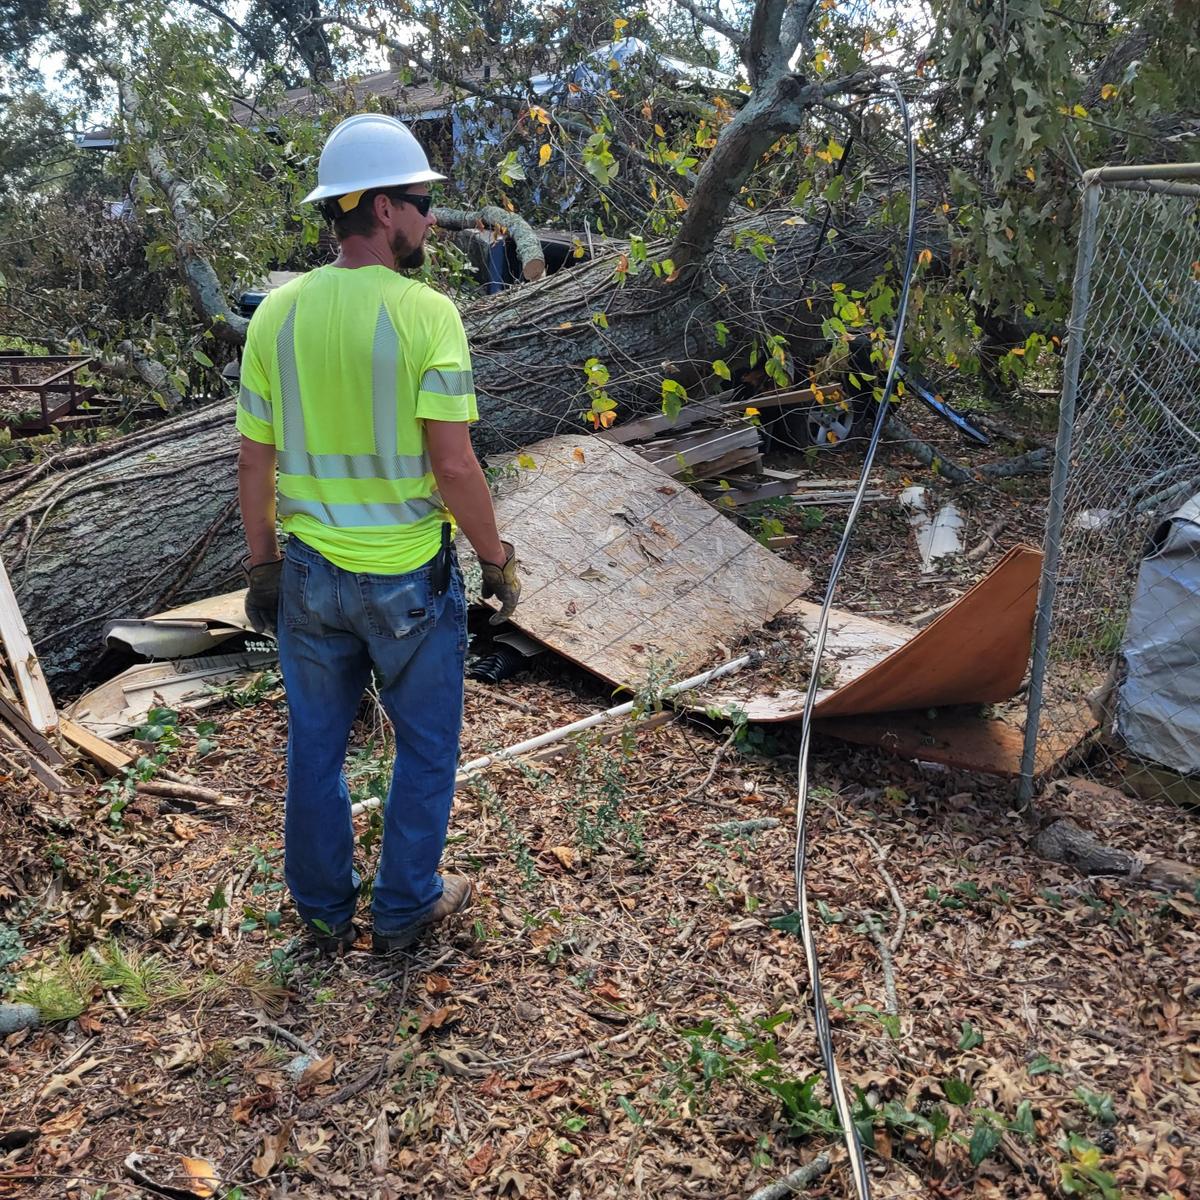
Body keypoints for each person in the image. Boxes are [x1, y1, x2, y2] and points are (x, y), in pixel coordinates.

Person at [235, 113, 521, 955]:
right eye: (423, 201)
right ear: (384, 210)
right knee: (427, 748)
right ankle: (404, 910)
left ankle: (323, 917)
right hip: (406, 580)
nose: (432, 219)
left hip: (312, 578)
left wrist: (263, 567)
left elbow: (254, 465)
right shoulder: (426, 315)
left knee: (315, 750)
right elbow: (457, 467)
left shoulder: (274, 319)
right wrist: (497, 561)